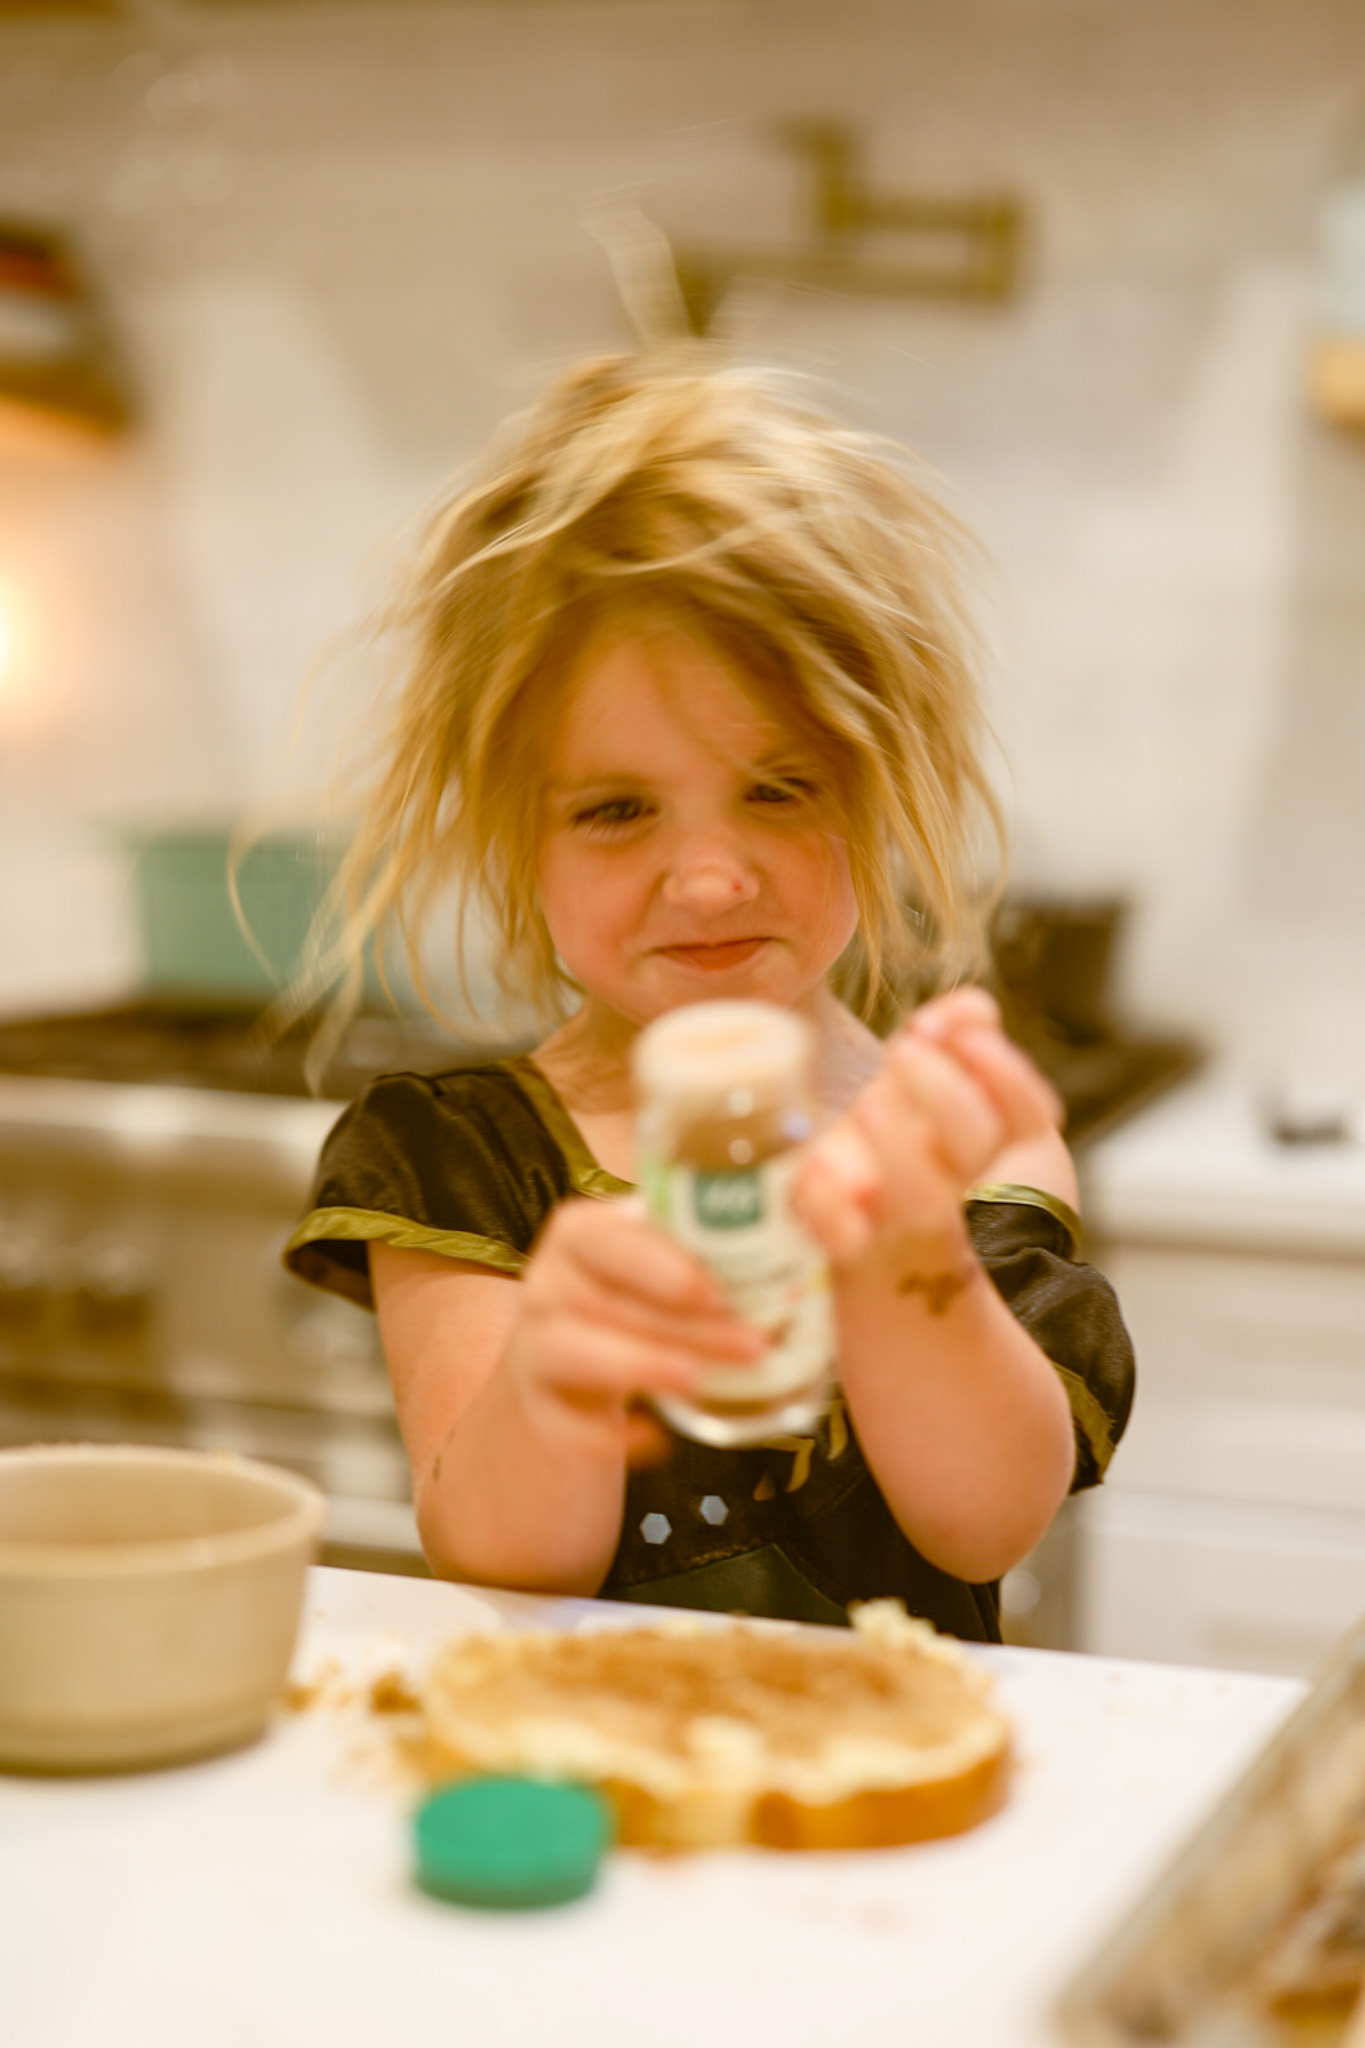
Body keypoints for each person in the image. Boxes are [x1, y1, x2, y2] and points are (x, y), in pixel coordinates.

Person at [284, 346, 1134, 1641]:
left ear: (874, 786)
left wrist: (904, 1245)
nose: (710, 878)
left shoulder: (959, 1138)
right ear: (517, 844)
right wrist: (554, 1375)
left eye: (777, 790)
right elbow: (504, 1559)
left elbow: (985, 1522)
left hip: (889, 1803)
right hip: (604, 1786)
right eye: (616, 810)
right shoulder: (459, 1159)